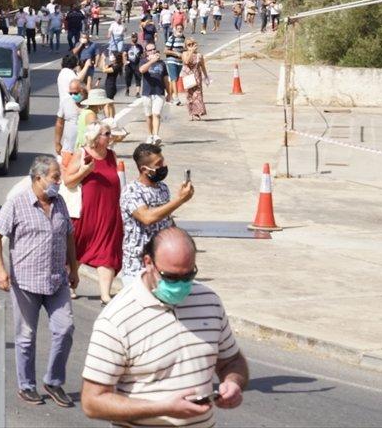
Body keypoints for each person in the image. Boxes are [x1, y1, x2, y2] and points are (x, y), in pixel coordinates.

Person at [81, 227, 249, 426]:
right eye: (171, 277)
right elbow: (92, 402)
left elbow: (231, 360)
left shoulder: (209, 301)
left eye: (188, 276)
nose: (181, 285)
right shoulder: (116, 319)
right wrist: (163, 408)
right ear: (148, 263)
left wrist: (233, 382)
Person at [0, 158, 79, 408]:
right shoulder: (17, 204)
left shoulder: (59, 202)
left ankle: (53, 381)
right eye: (54, 177)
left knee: (65, 329)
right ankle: (27, 385)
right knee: (26, 336)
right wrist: (0, 270)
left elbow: (69, 235)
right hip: (25, 282)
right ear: (38, 178)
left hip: (56, 280)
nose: (59, 182)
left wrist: (74, 267)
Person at [63, 122, 123, 304]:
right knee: (79, 247)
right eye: (107, 133)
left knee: (108, 252)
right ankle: (69, 285)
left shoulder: (112, 154)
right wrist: (84, 171)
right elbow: (68, 181)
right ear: (96, 138)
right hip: (86, 212)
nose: (110, 136)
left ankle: (105, 294)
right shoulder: (82, 154)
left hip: (109, 212)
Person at [120, 144, 194, 287]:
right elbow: (147, 218)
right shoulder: (131, 191)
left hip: (161, 266)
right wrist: (180, 200)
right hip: (137, 267)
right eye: (158, 164)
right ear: (144, 169)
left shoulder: (162, 188)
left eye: (163, 161)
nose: (164, 166)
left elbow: (165, 219)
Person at [138, 42, 171, 144]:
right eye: (150, 50)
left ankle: (156, 135)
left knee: (156, 114)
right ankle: (150, 135)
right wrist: (151, 61)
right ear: (146, 52)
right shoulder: (143, 61)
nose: (152, 51)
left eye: (154, 49)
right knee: (148, 115)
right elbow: (142, 70)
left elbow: (166, 78)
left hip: (159, 91)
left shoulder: (161, 63)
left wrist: (169, 92)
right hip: (147, 92)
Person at [182, 39, 212, 121]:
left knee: (198, 95)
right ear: (186, 46)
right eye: (189, 45)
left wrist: (206, 77)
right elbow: (186, 61)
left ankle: (197, 113)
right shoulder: (184, 53)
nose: (191, 46)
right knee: (190, 96)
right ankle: (192, 112)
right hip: (188, 77)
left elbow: (203, 66)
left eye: (193, 44)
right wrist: (191, 52)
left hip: (197, 77)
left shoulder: (199, 55)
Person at [164, 24, 186, 107]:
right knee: (174, 78)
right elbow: (165, 51)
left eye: (181, 28)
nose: (179, 30)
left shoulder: (183, 38)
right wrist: (175, 53)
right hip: (171, 61)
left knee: (175, 79)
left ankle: (168, 97)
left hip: (179, 62)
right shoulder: (172, 38)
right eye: (178, 29)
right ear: (175, 29)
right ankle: (176, 98)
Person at [123, 33, 143, 97]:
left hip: (137, 64)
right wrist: (125, 61)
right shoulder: (127, 46)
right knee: (128, 78)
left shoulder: (139, 46)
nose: (134, 38)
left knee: (138, 77)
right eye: (133, 37)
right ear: (131, 38)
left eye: (135, 37)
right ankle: (127, 89)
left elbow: (142, 55)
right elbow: (124, 54)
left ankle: (137, 92)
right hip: (129, 64)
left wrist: (142, 61)